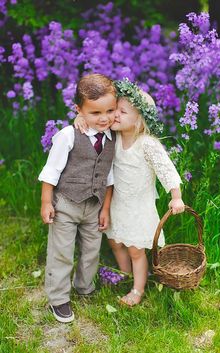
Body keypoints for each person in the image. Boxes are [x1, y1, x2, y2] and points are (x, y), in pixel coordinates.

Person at [74, 78, 185, 307]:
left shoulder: (147, 145)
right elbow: (92, 124)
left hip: (139, 207)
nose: (115, 116)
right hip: (117, 204)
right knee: (115, 242)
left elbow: (166, 170)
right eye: (116, 110)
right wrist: (80, 118)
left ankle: (138, 289)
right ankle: (125, 274)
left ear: (138, 120)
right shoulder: (112, 138)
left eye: (122, 112)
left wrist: (176, 197)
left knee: (136, 250)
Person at [38, 73, 117, 322]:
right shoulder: (68, 136)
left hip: (94, 205)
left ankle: (85, 286)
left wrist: (105, 209)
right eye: (95, 113)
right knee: (61, 251)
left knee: (91, 249)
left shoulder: (112, 137)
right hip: (66, 204)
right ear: (78, 110)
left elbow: (109, 177)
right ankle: (58, 298)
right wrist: (46, 202)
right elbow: (51, 171)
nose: (104, 118)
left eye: (110, 110)